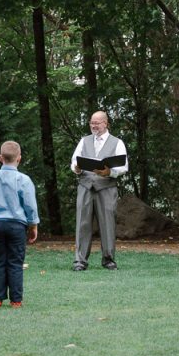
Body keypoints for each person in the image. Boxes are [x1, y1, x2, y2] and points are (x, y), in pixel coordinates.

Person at [0, 141, 39, 308]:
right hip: (17, 226)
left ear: (0, 158)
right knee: (15, 261)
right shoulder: (24, 180)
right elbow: (30, 205)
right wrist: (33, 225)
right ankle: (16, 300)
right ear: (19, 158)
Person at [70, 111, 128, 271]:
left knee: (108, 223)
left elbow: (124, 167)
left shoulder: (117, 143)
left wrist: (109, 172)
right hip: (85, 186)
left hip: (106, 188)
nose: (94, 126)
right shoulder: (84, 141)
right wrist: (76, 168)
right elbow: (74, 160)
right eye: (91, 123)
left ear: (105, 123)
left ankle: (108, 260)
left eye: (97, 122)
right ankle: (80, 261)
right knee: (82, 223)